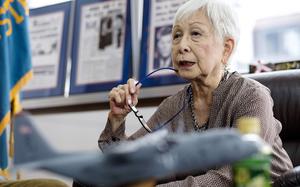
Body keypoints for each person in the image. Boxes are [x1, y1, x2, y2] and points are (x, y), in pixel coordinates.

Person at [98, 0, 293, 186]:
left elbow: (232, 178)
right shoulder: (173, 106)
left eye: (196, 34)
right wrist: (117, 120)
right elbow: (125, 163)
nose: (182, 45)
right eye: (176, 35)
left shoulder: (251, 97)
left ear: (226, 49)